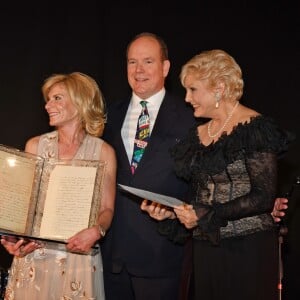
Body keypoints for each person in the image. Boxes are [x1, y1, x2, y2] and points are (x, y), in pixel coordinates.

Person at [101, 32, 288, 300]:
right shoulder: (198, 132)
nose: (187, 98)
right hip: (203, 249)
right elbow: (196, 193)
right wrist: (172, 213)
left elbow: (261, 194)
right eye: (132, 62)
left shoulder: (249, 127)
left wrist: (204, 213)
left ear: (219, 88)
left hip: (244, 249)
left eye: (193, 90)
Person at [1, 72, 117, 299]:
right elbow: (24, 208)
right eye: (48, 99)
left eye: (57, 98)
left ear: (80, 101)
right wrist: (13, 239)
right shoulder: (35, 146)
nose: (48, 105)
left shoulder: (103, 151)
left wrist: (96, 231)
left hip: (78, 256)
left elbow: (107, 208)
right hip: (36, 256)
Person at [101, 32, 196, 300]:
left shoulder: (192, 119)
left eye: (148, 62)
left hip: (163, 257)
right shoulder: (108, 117)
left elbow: (204, 185)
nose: (139, 70)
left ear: (165, 67)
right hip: (112, 258)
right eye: (132, 62)